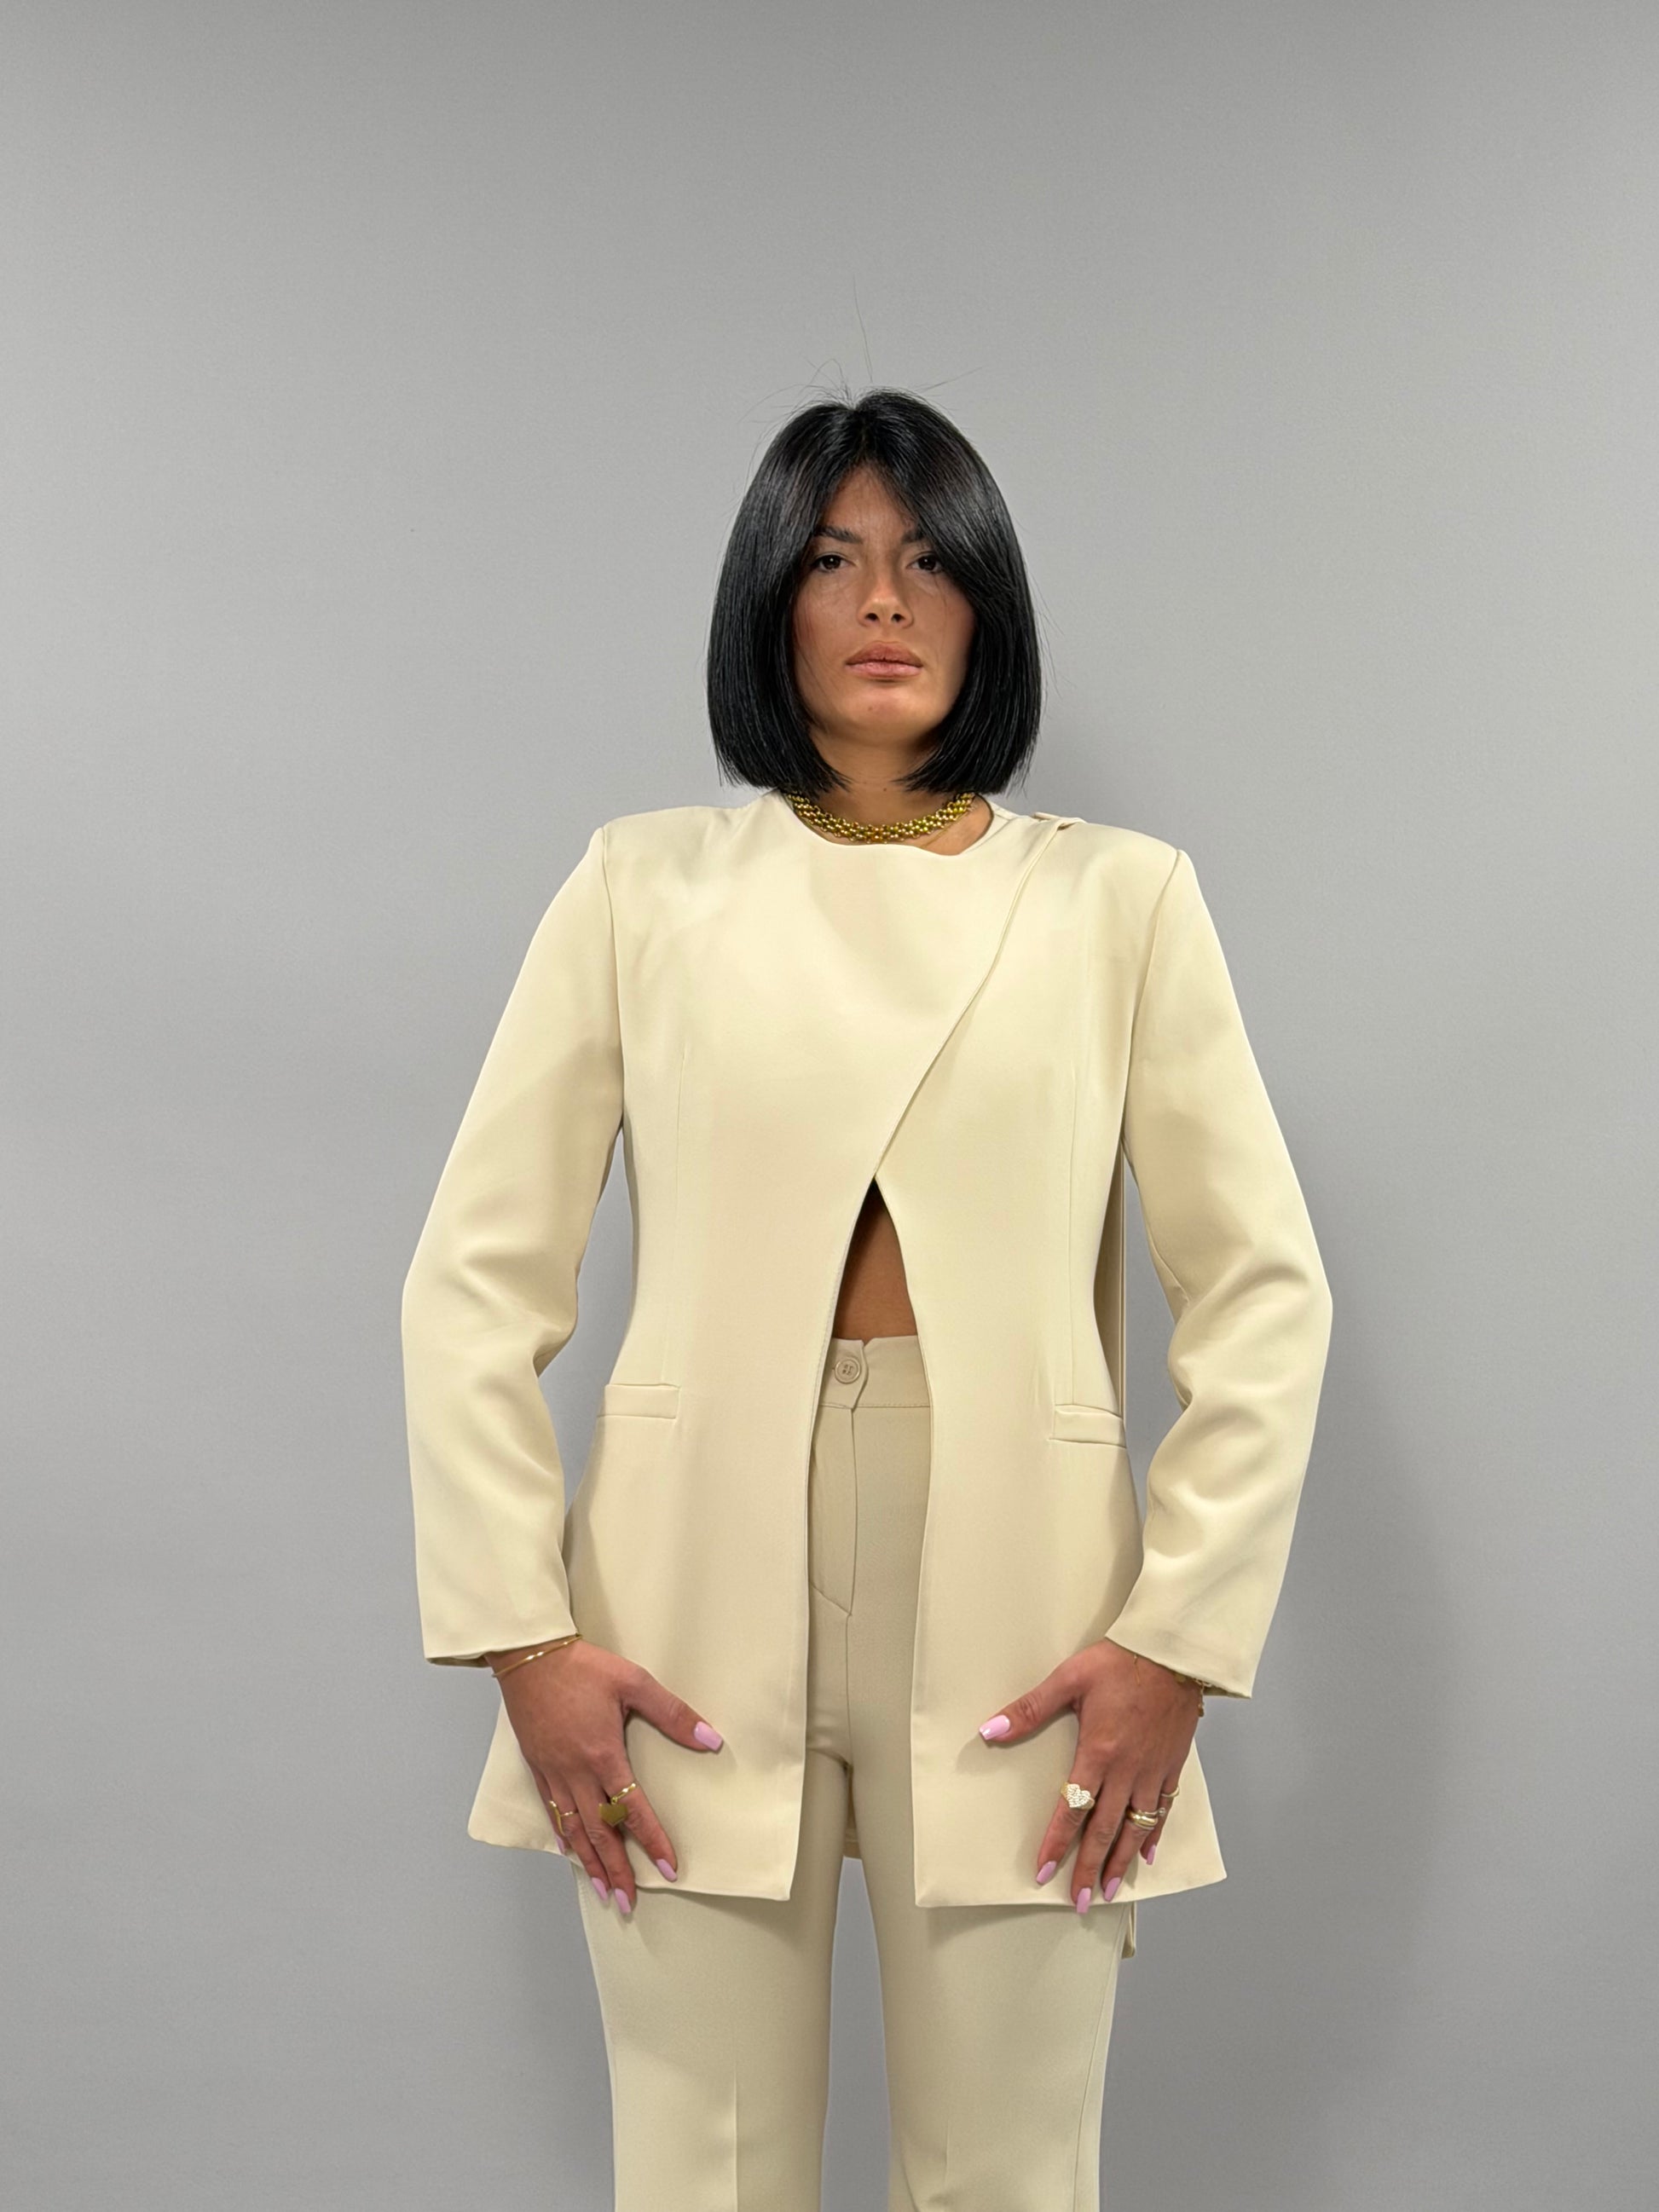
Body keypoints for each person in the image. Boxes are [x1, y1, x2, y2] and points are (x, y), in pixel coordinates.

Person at [400, 387, 1333, 2211]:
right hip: (682, 1580)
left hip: (1026, 1586)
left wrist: (1176, 1638)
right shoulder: (642, 886)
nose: (883, 600)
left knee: (1008, 2175)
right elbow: (472, 1280)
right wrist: (523, 1635)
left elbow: (1261, 1290)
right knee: (701, 2174)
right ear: (770, 602)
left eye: (924, 560)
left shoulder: (1117, 902)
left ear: (988, 601)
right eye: (831, 560)